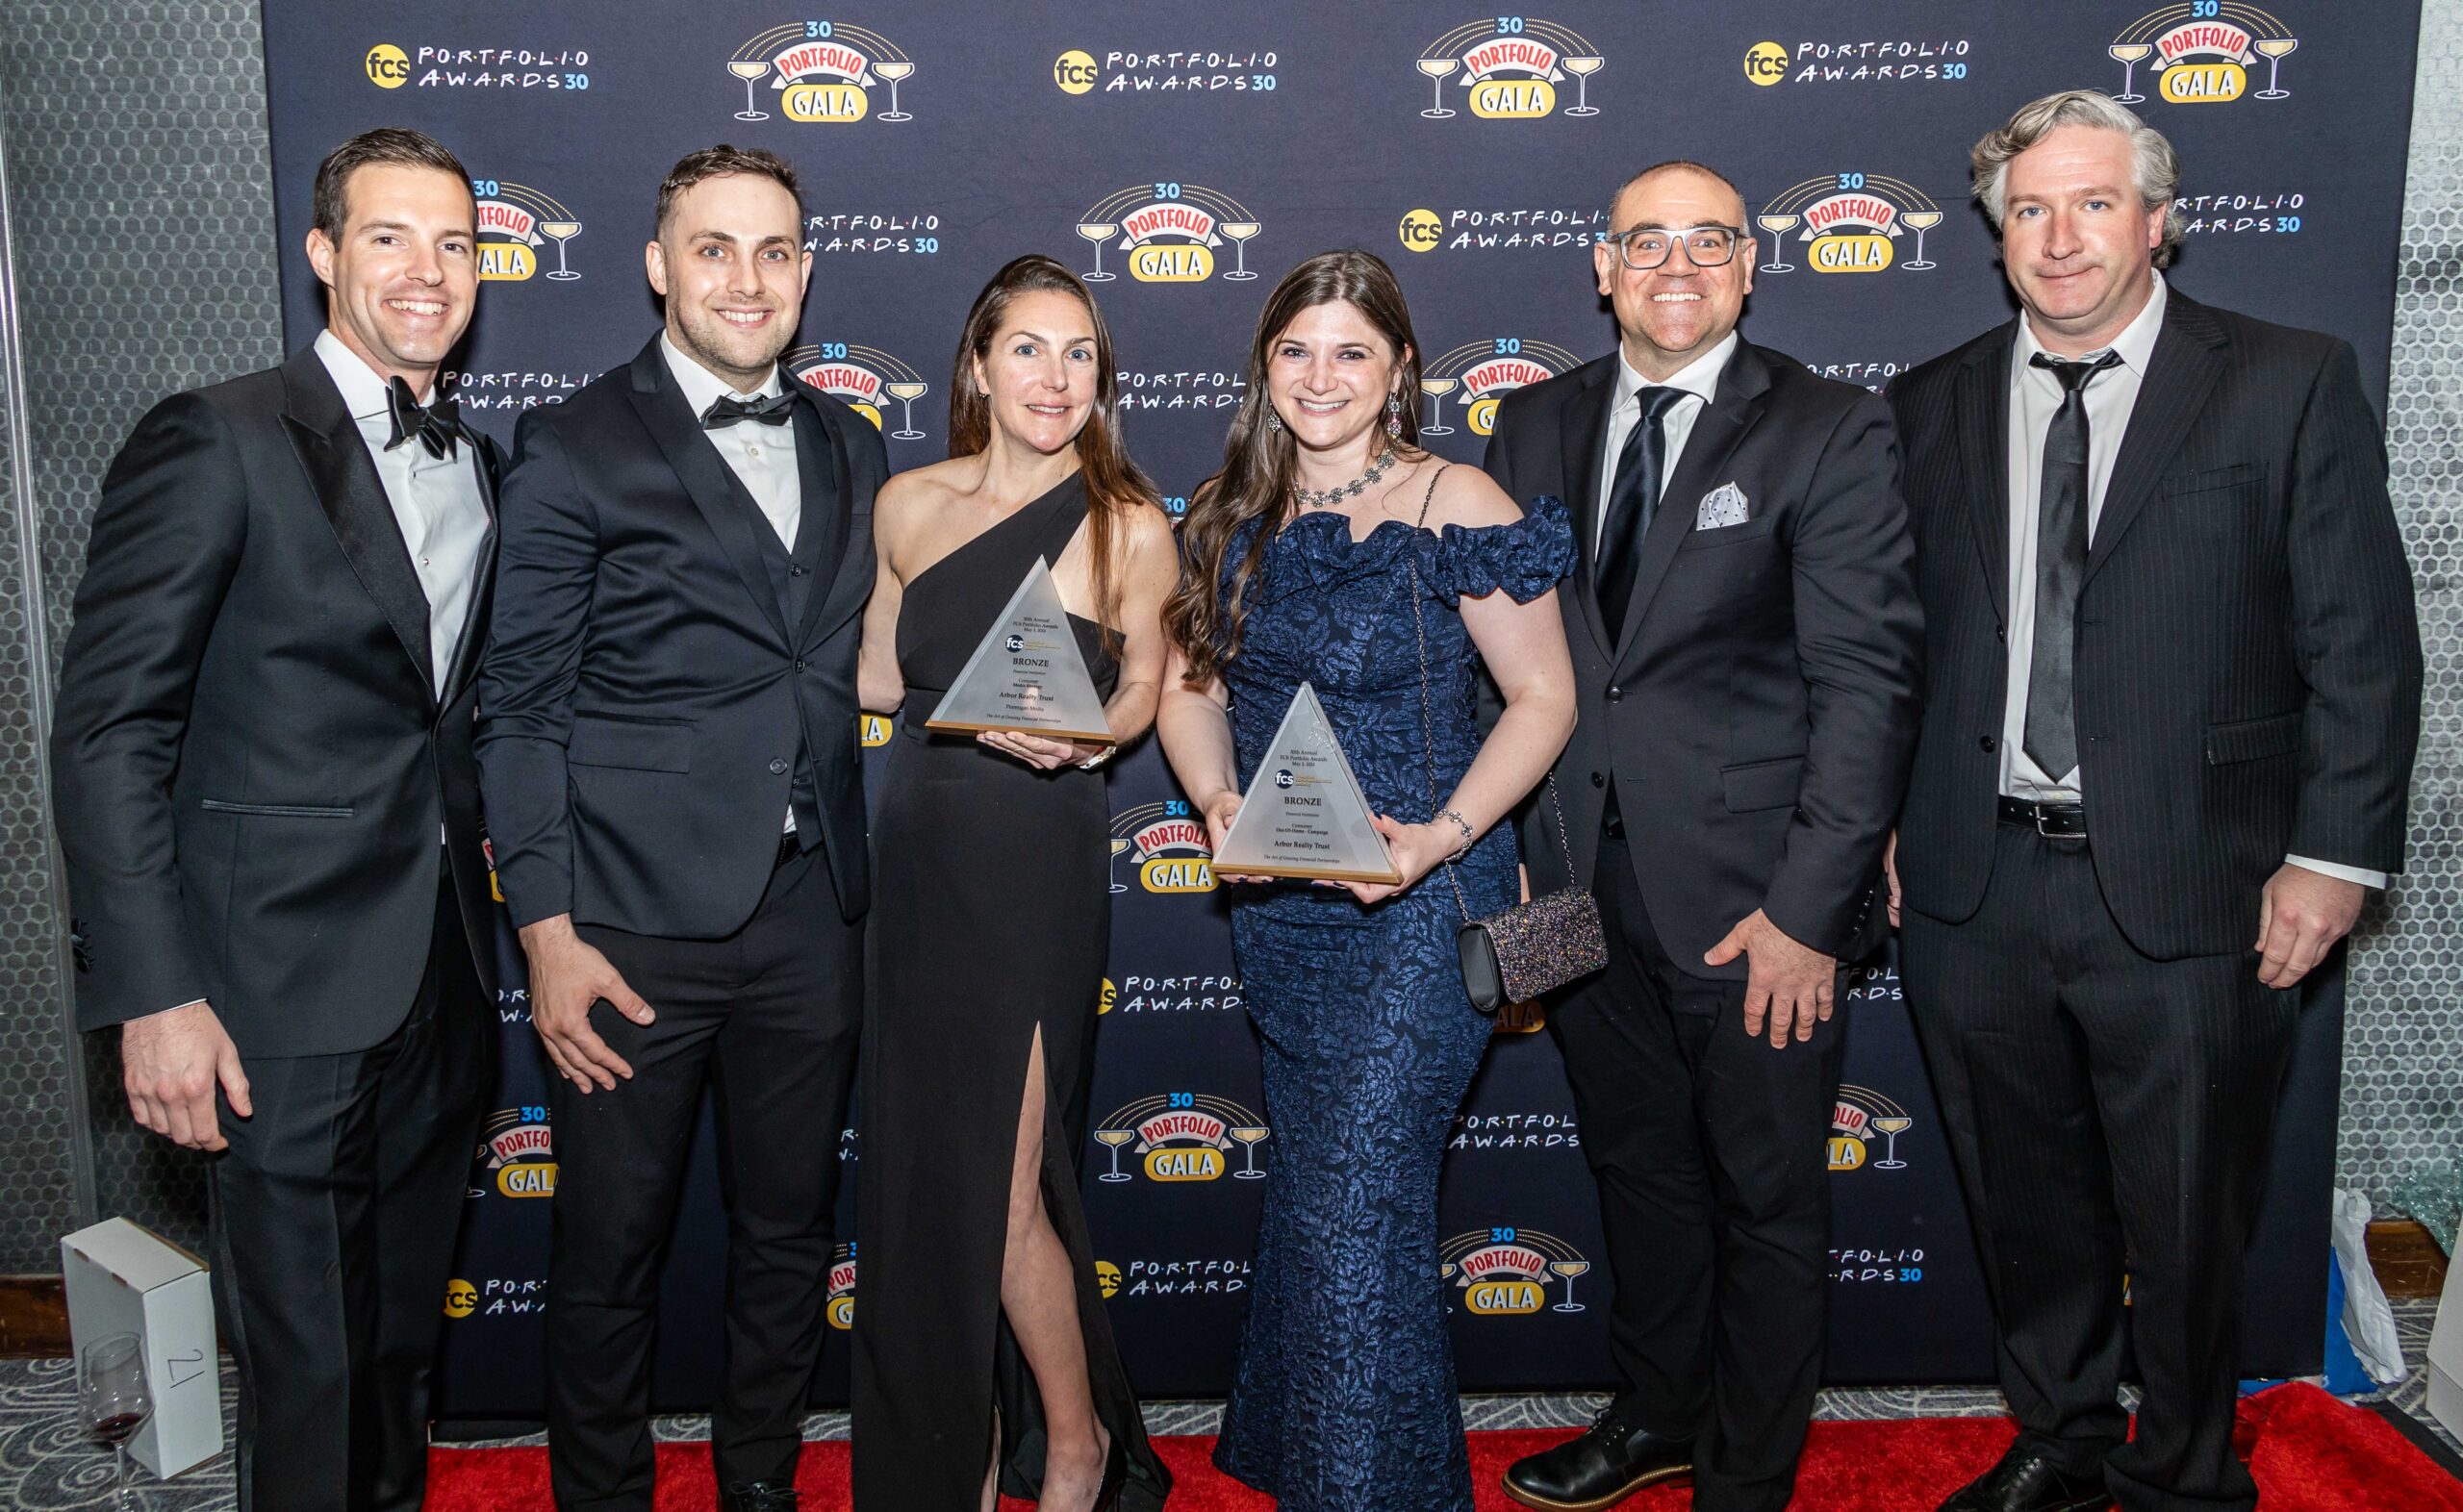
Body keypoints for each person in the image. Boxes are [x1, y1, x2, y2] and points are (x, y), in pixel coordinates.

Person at [1885, 91, 2421, 1512]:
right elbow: (1898, 647)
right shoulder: (1928, 400)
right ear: (1999, 238)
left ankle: (2184, 1471)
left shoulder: (2286, 380)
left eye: (2095, 203)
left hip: (2206, 884)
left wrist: (2333, 857)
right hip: (1971, 880)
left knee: (2190, 1211)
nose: (2061, 238)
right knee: (2024, 1199)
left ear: (2160, 222)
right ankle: (2057, 1438)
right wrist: (1883, 826)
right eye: (2031, 211)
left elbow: (2363, 644)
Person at [51, 128, 500, 1512]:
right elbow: (111, 727)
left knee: (397, 1353)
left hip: (439, 981)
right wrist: (156, 996)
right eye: (388, 237)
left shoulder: (479, 461)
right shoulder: (218, 437)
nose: (426, 273)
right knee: (306, 1369)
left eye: (454, 245)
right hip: (267, 999)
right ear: (321, 255)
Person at [1484, 162, 1922, 1512]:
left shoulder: (1831, 427)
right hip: (1569, 890)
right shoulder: (1530, 424)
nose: (1678, 266)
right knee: (1638, 1176)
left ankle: (1746, 1474)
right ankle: (1658, 1415)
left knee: (1767, 1202)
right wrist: (1508, 870)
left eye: (1710, 242)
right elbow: (1506, 666)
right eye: (1647, 243)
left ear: (1750, 265)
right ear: (1601, 268)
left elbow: (1869, 688)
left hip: (1753, 906)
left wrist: (1808, 914)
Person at [475, 145, 881, 1512]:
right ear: (657, 266)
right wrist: (546, 930)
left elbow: (859, 662)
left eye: (774, 251)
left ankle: (759, 1484)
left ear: (808, 271)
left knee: (788, 1239)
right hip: (627, 930)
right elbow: (518, 712)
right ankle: (605, 1497)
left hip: (812, 910)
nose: (747, 279)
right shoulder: (575, 445)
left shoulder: (852, 441)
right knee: (610, 1250)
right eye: (713, 248)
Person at [1156, 248, 1578, 1510]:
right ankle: (1310, 1461)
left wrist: (1439, 835)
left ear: (1401, 367)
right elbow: (1193, 690)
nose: (1321, 375)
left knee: (1352, 1214)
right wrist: (1220, 797)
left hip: (1428, 912)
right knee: (1324, 1204)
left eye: (1352, 350)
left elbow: (1543, 699)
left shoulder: (1463, 503)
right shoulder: (1228, 515)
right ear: (1264, 367)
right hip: (1285, 916)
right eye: (1296, 349)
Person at [850, 254, 1175, 1512]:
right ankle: (967, 1459)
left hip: (1038, 853)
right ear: (979, 366)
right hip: (922, 853)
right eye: (1029, 349)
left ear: (1103, 377)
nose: (1056, 377)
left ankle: (1077, 1440)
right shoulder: (907, 505)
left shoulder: (1128, 522)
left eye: (1080, 352)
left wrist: (1096, 729)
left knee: (999, 1185)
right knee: (940, 1184)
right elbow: (880, 674)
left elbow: (1150, 681)